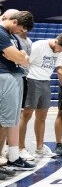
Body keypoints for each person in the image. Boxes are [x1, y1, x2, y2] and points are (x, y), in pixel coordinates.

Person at [19, 33, 62, 159]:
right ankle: (20, 148)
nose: (59, 51)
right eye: (59, 48)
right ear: (56, 41)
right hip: (32, 80)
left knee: (42, 116)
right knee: (26, 116)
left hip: (46, 81)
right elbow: (24, 62)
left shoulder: (61, 51)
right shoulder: (38, 46)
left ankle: (40, 147)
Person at [0, 11, 33, 171]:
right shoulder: (1, 33)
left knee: (8, 121)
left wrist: (22, 57)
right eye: (20, 30)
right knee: (3, 122)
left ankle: (9, 158)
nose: (20, 33)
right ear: (14, 22)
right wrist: (21, 57)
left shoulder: (10, 36)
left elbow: (24, 58)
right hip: (5, 77)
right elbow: (21, 59)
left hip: (13, 76)